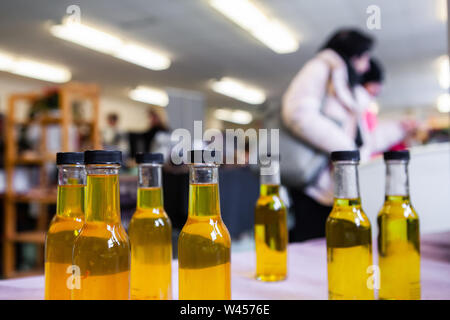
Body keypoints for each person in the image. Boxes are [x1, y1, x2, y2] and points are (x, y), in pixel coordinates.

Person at [282, 29, 411, 242]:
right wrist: (347, 150)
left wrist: (399, 128)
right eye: (366, 56)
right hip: (315, 183)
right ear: (354, 52)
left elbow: (365, 141)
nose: (368, 64)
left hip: (335, 184)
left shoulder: (346, 85)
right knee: (312, 243)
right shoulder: (320, 68)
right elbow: (298, 113)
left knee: (333, 245)